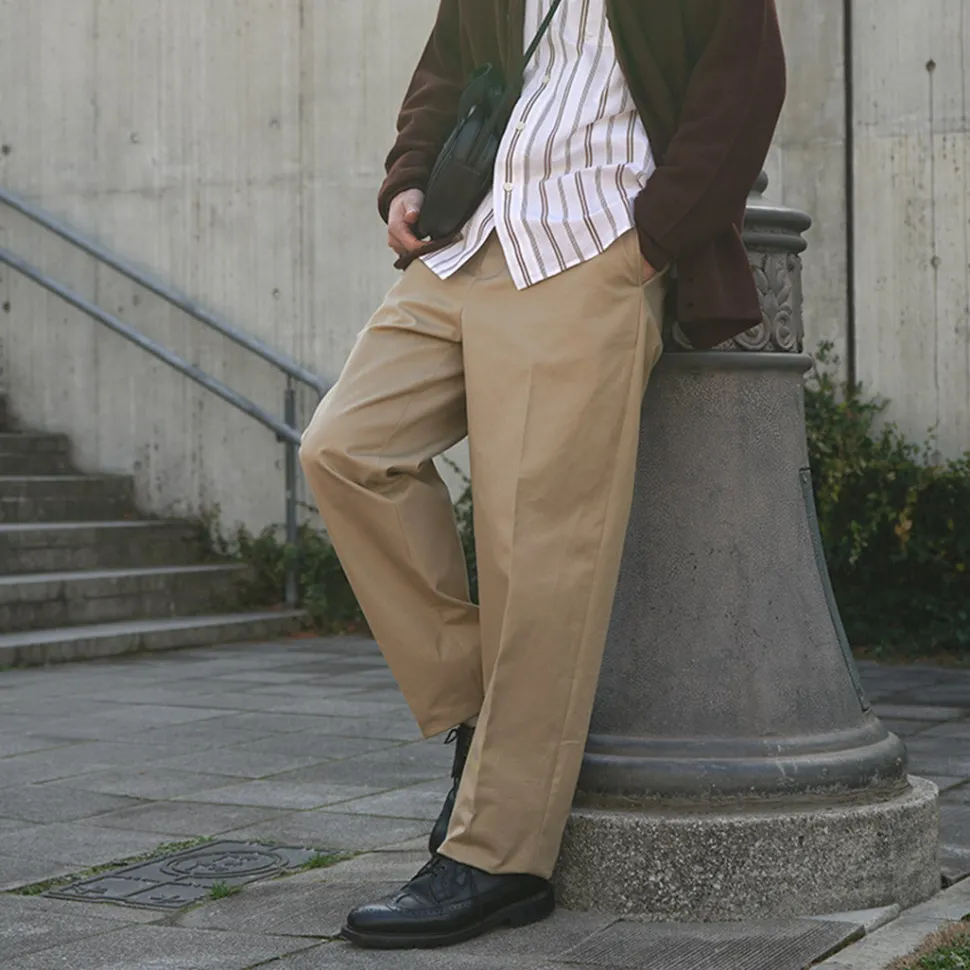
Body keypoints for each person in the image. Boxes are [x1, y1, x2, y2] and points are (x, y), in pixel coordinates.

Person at [300, 0, 785, 950]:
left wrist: (651, 241)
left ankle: (500, 856)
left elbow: (743, 92)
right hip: (468, 238)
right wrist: (409, 178)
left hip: (595, 249)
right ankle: (483, 709)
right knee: (346, 450)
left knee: (541, 550)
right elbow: (447, 65)